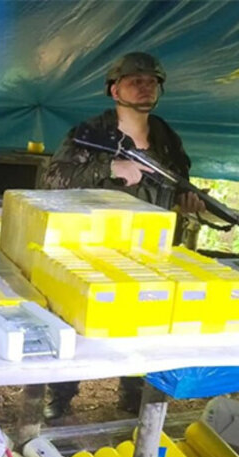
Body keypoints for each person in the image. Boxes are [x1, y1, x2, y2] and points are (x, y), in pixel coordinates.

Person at [40, 52, 205, 420]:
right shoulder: (91, 133)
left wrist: (187, 202)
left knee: (144, 323)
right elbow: (53, 179)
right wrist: (109, 166)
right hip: (93, 249)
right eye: (135, 81)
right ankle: (59, 396)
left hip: (150, 252)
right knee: (77, 322)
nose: (146, 88)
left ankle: (132, 395)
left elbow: (178, 186)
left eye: (152, 82)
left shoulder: (165, 138)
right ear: (115, 90)